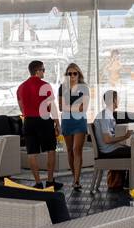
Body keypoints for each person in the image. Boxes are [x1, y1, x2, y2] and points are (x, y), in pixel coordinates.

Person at [92, 89, 134, 188]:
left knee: (132, 149)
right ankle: (132, 181)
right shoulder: (104, 116)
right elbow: (107, 139)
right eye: (117, 98)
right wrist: (125, 136)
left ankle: (129, 180)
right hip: (108, 152)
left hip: (112, 148)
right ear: (113, 101)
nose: (118, 100)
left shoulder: (109, 114)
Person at [17, 59, 58, 187]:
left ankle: (38, 183)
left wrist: (28, 115)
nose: (44, 72)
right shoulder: (45, 85)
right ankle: (50, 181)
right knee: (51, 150)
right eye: (43, 70)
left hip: (28, 121)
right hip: (44, 120)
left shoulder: (21, 87)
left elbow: (21, 107)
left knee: (32, 153)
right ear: (37, 71)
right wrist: (57, 122)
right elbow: (51, 106)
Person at [59, 63, 90, 192]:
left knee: (77, 150)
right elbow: (61, 107)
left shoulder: (84, 88)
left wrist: (69, 107)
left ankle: (76, 180)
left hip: (80, 122)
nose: (72, 75)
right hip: (67, 121)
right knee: (70, 151)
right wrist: (75, 108)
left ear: (79, 74)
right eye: (69, 73)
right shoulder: (62, 87)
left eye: (74, 73)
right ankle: (74, 176)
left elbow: (84, 107)